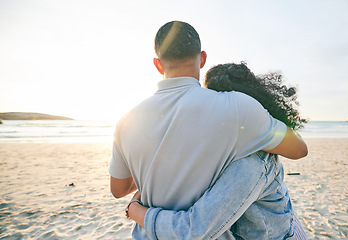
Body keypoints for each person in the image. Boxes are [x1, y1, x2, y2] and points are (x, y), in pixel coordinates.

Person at [108, 21, 307, 239]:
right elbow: (298, 149)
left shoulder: (127, 121)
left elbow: (118, 190)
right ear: (202, 58)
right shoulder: (237, 108)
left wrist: (152, 166)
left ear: (158, 64)